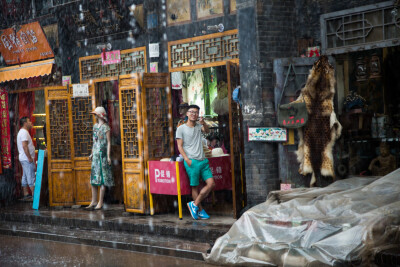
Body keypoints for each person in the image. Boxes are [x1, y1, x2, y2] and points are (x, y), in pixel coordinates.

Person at [176, 105, 215, 220]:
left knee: (211, 183)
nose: (194, 114)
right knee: (195, 187)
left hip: (203, 160)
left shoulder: (198, 126)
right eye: (192, 112)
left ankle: (194, 204)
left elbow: (207, 131)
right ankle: (201, 210)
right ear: (187, 114)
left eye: (196, 112)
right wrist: (187, 160)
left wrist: (203, 123)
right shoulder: (181, 128)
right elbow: (179, 146)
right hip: (191, 161)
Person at [86, 107, 113, 210]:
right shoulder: (95, 127)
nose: (95, 116)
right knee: (94, 178)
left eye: (96, 114)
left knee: (102, 179)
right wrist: (91, 154)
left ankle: (100, 201)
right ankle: (93, 200)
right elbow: (95, 142)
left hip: (102, 155)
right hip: (96, 155)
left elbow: (109, 142)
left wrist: (109, 155)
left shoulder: (106, 127)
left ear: (100, 115)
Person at [17, 117, 36, 200]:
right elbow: (25, 146)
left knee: (25, 175)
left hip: (23, 158)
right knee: (30, 176)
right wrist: (29, 157)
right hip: (26, 158)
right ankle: (34, 195)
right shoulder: (24, 132)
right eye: (29, 121)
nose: (31, 122)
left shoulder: (22, 132)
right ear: (25, 123)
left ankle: (25, 193)